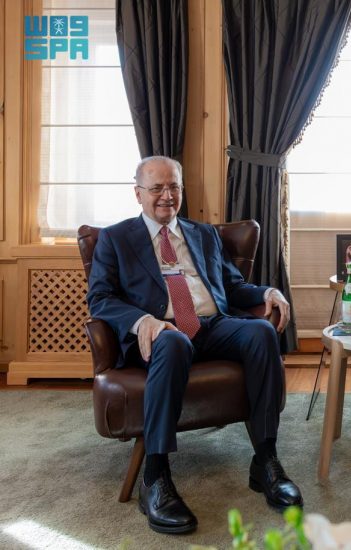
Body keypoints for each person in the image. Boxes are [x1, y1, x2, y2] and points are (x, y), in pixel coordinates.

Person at [87, 156, 302, 535]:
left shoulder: (203, 235)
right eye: (157, 188)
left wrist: (267, 292)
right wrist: (143, 321)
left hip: (211, 325)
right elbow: (100, 298)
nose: (167, 196)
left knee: (261, 333)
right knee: (172, 341)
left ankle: (265, 460)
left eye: (174, 187)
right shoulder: (116, 239)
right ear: (138, 193)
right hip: (159, 334)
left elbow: (233, 286)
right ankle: (155, 476)